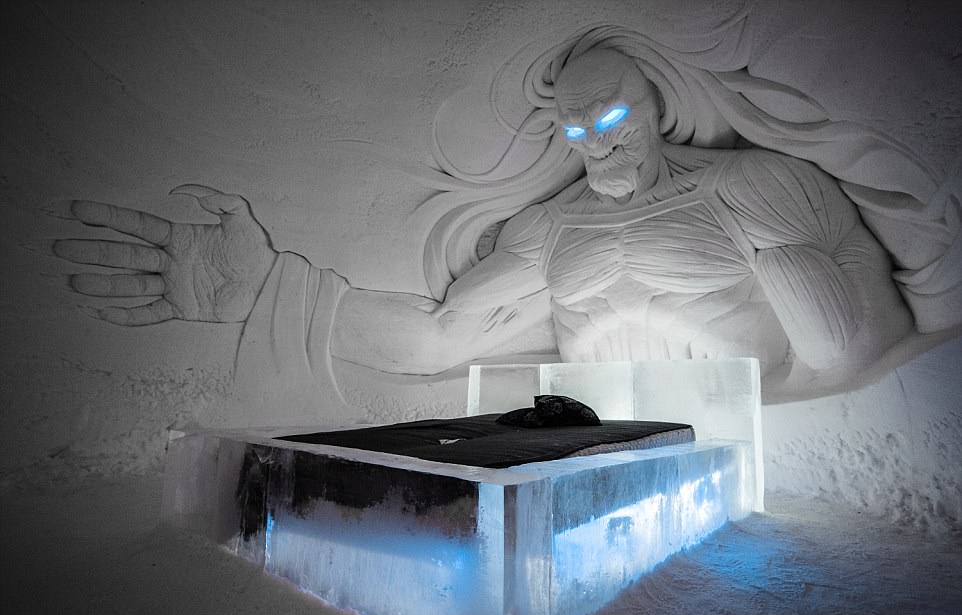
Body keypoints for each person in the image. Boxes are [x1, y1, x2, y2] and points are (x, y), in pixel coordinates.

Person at [51, 47, 922, 408]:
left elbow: (857, 352)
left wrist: (781, 265)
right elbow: (437, 340)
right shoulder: (549, 230)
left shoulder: (756, 186)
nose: (599, 144)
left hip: (763, 434)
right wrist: (264, 291)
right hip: (606, 449)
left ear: (653, 104)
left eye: (614, 116)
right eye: (577, 130)